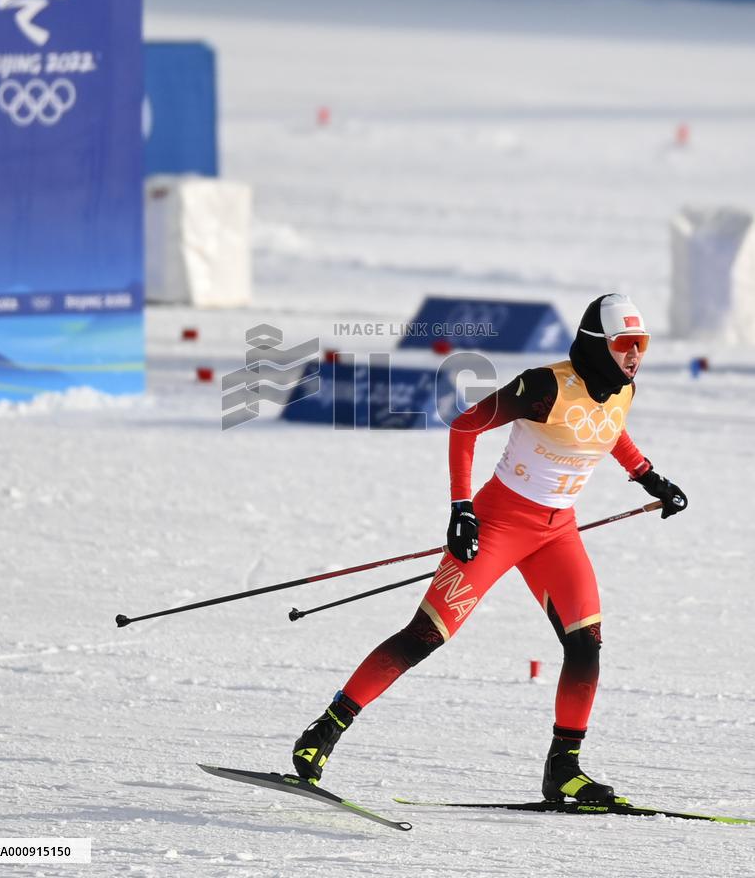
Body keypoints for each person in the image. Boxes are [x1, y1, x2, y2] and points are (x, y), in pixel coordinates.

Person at [292, 294, 688, 802]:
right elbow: (464, 426)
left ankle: (564, 769)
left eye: (642, 344)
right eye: (625, 344)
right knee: (425, 635)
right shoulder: (544, 386)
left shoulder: (623, 387)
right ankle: (324, 731)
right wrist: (461, 508)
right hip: (499, 524)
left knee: (585, 647)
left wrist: (650, 478)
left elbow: (609, 430)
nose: (635, 355)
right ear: (597, 344)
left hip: (557, 532)